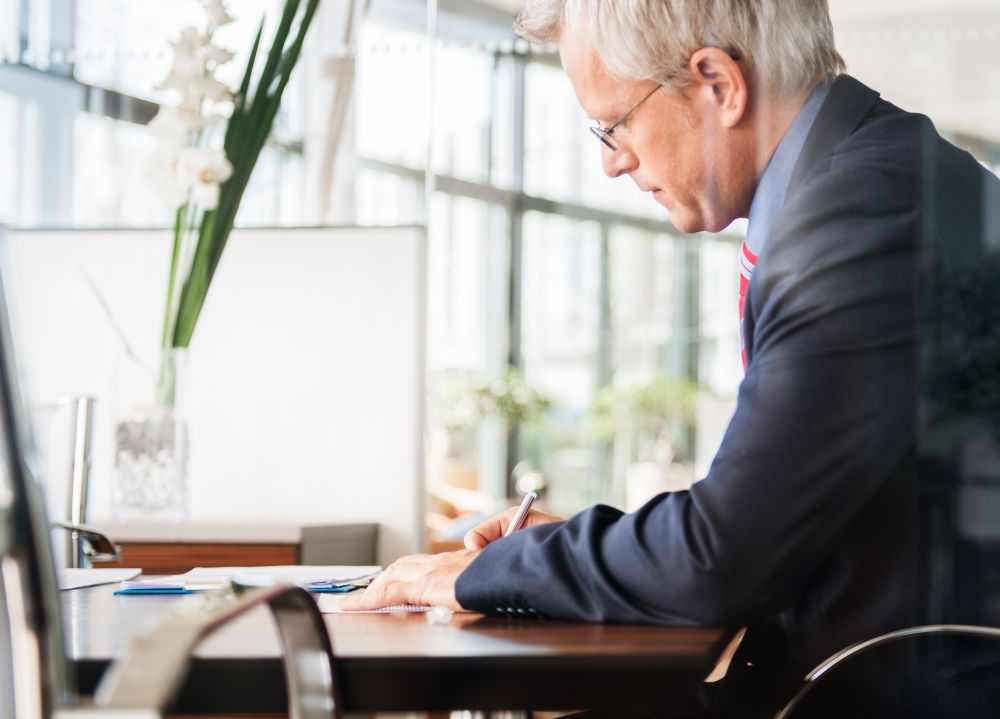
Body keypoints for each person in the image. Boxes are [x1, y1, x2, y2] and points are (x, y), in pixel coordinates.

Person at [342, 1, 1000, 716]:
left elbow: (722, 557)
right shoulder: (868, 181)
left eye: (614, 123)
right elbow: (762, 522)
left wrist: (488, 571)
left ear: (718, 83)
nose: (611, 160)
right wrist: (569, 553)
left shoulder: (866, 213)